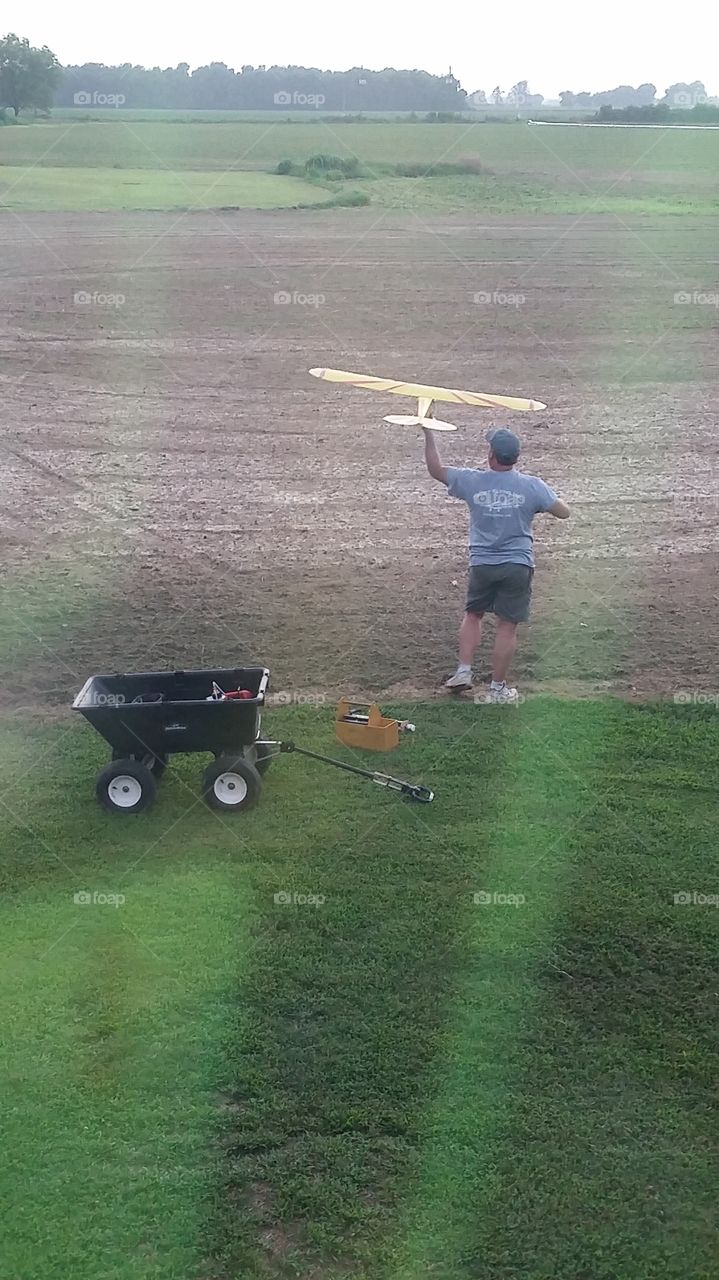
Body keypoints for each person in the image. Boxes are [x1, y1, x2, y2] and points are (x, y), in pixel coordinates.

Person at [423, 424, 570, 702]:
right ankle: (497, 688)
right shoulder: (532, 485)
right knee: (507, 625)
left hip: (482, 564)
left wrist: (429, 433)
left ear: (491, 455)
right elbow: (564, 512)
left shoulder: (472, 480)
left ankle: (464, 671)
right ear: (515, 456)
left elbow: (436, 469)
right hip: (518, 564)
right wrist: (539, 504)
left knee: (473, 614)